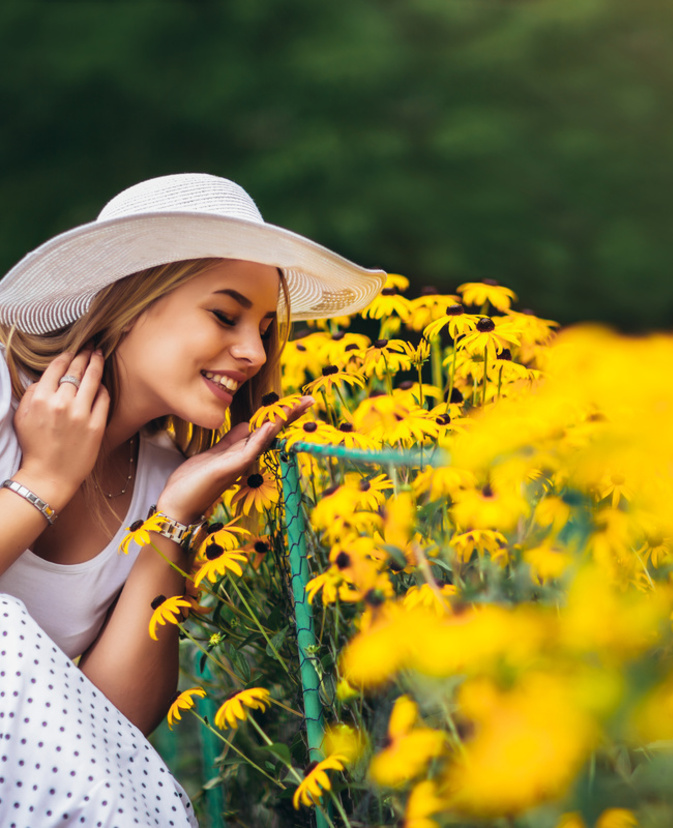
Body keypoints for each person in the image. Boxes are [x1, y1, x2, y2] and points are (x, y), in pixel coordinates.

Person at [0, 173, 385, 826]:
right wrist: (46, 481)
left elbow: (110, 731)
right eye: (224, 314)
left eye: (265, 327)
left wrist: (177, 517)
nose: (253, 352)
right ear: (131, 300)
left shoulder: (162, 477)